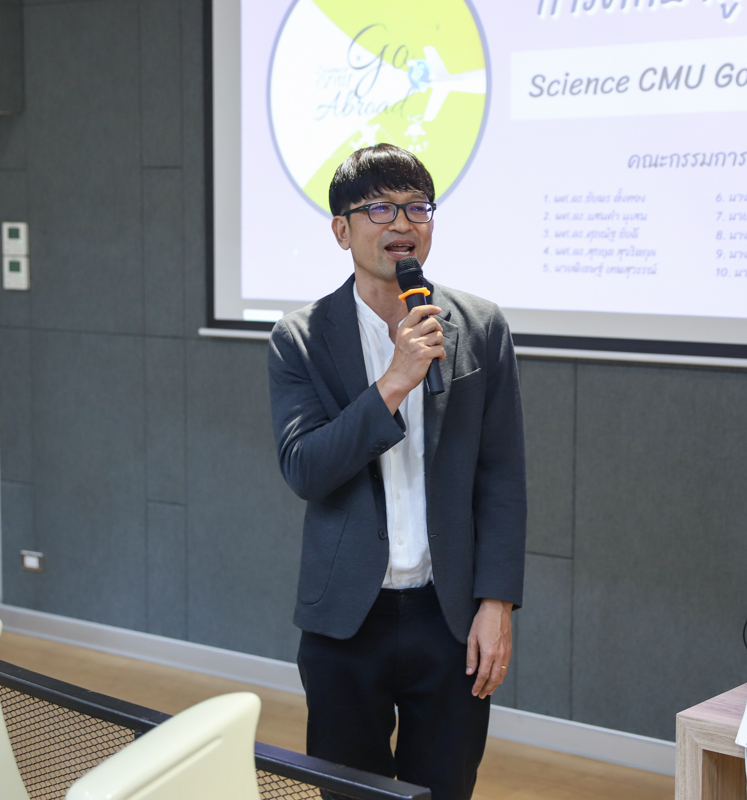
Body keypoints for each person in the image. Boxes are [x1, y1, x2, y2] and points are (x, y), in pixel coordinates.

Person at [268, 143, 526, 800]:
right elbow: (306, 469)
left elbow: (501, 475)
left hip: (451, 617)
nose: (402, 223)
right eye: (379, 208)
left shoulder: (480, 326)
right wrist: (395, 381)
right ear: (342, 230)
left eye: (416, 207)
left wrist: (496, 602)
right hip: (346, 622)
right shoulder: (300, 337)